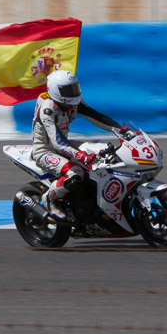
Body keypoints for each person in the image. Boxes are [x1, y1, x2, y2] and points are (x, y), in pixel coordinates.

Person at [32, 70, 130, 221]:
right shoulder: (48, 109)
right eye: (68, 90)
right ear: (56, 91)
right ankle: (49, 199)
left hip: (65, 144)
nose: (73, 93)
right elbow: (57, 143)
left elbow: (95, 116)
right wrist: (81, 156)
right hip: (45, 150)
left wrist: (120, 129)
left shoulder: (73, 103)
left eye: (75, 88)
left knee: (104, 151)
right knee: (76, 172)